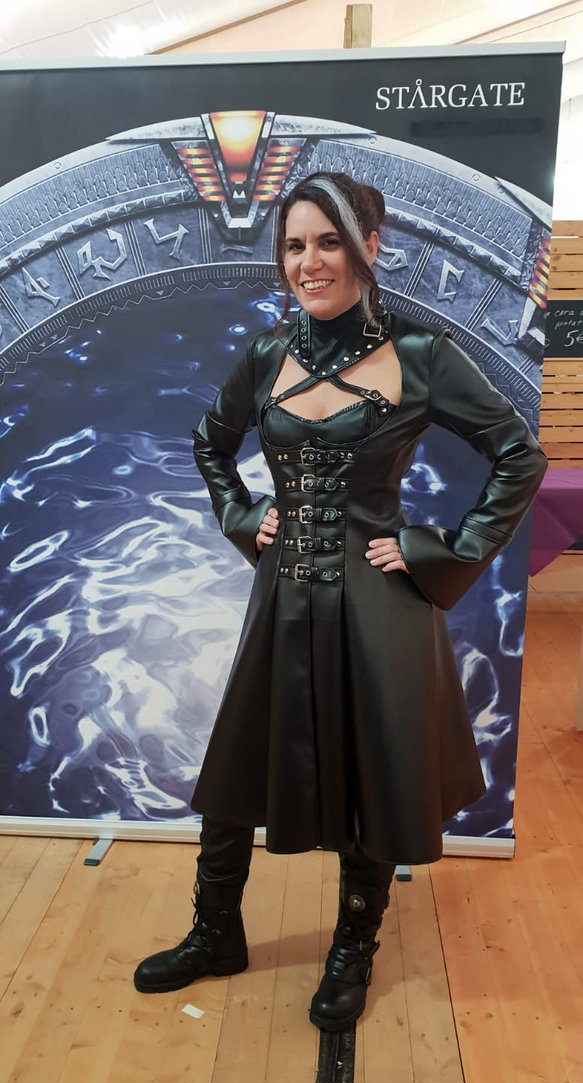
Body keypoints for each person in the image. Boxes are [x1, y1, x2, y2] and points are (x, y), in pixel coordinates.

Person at [134, 171, 547, 1032]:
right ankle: (215, 933)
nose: (309, 262)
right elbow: (211, 443)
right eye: (294, 245)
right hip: (282, 593)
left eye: (329, 242)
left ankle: (351, 950)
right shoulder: (265, 355)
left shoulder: (421, 354)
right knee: (236, 767)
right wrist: (243, 518)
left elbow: (518, 452)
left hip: (380, 604)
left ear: (369, 247)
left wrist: (445, 552)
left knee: (373, 771)